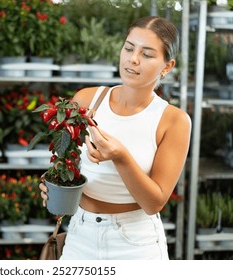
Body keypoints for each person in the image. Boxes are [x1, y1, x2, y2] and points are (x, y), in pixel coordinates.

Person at [39, 16, 192, 260]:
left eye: (148, 54)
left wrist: (120, 157)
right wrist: (51, 184)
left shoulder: (173, 120)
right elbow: (63, 161)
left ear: (167, 66)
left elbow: (154, 203)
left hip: (135, 244)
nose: (133, 59)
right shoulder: (88, 100)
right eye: (129, 48)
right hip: (80, 235)